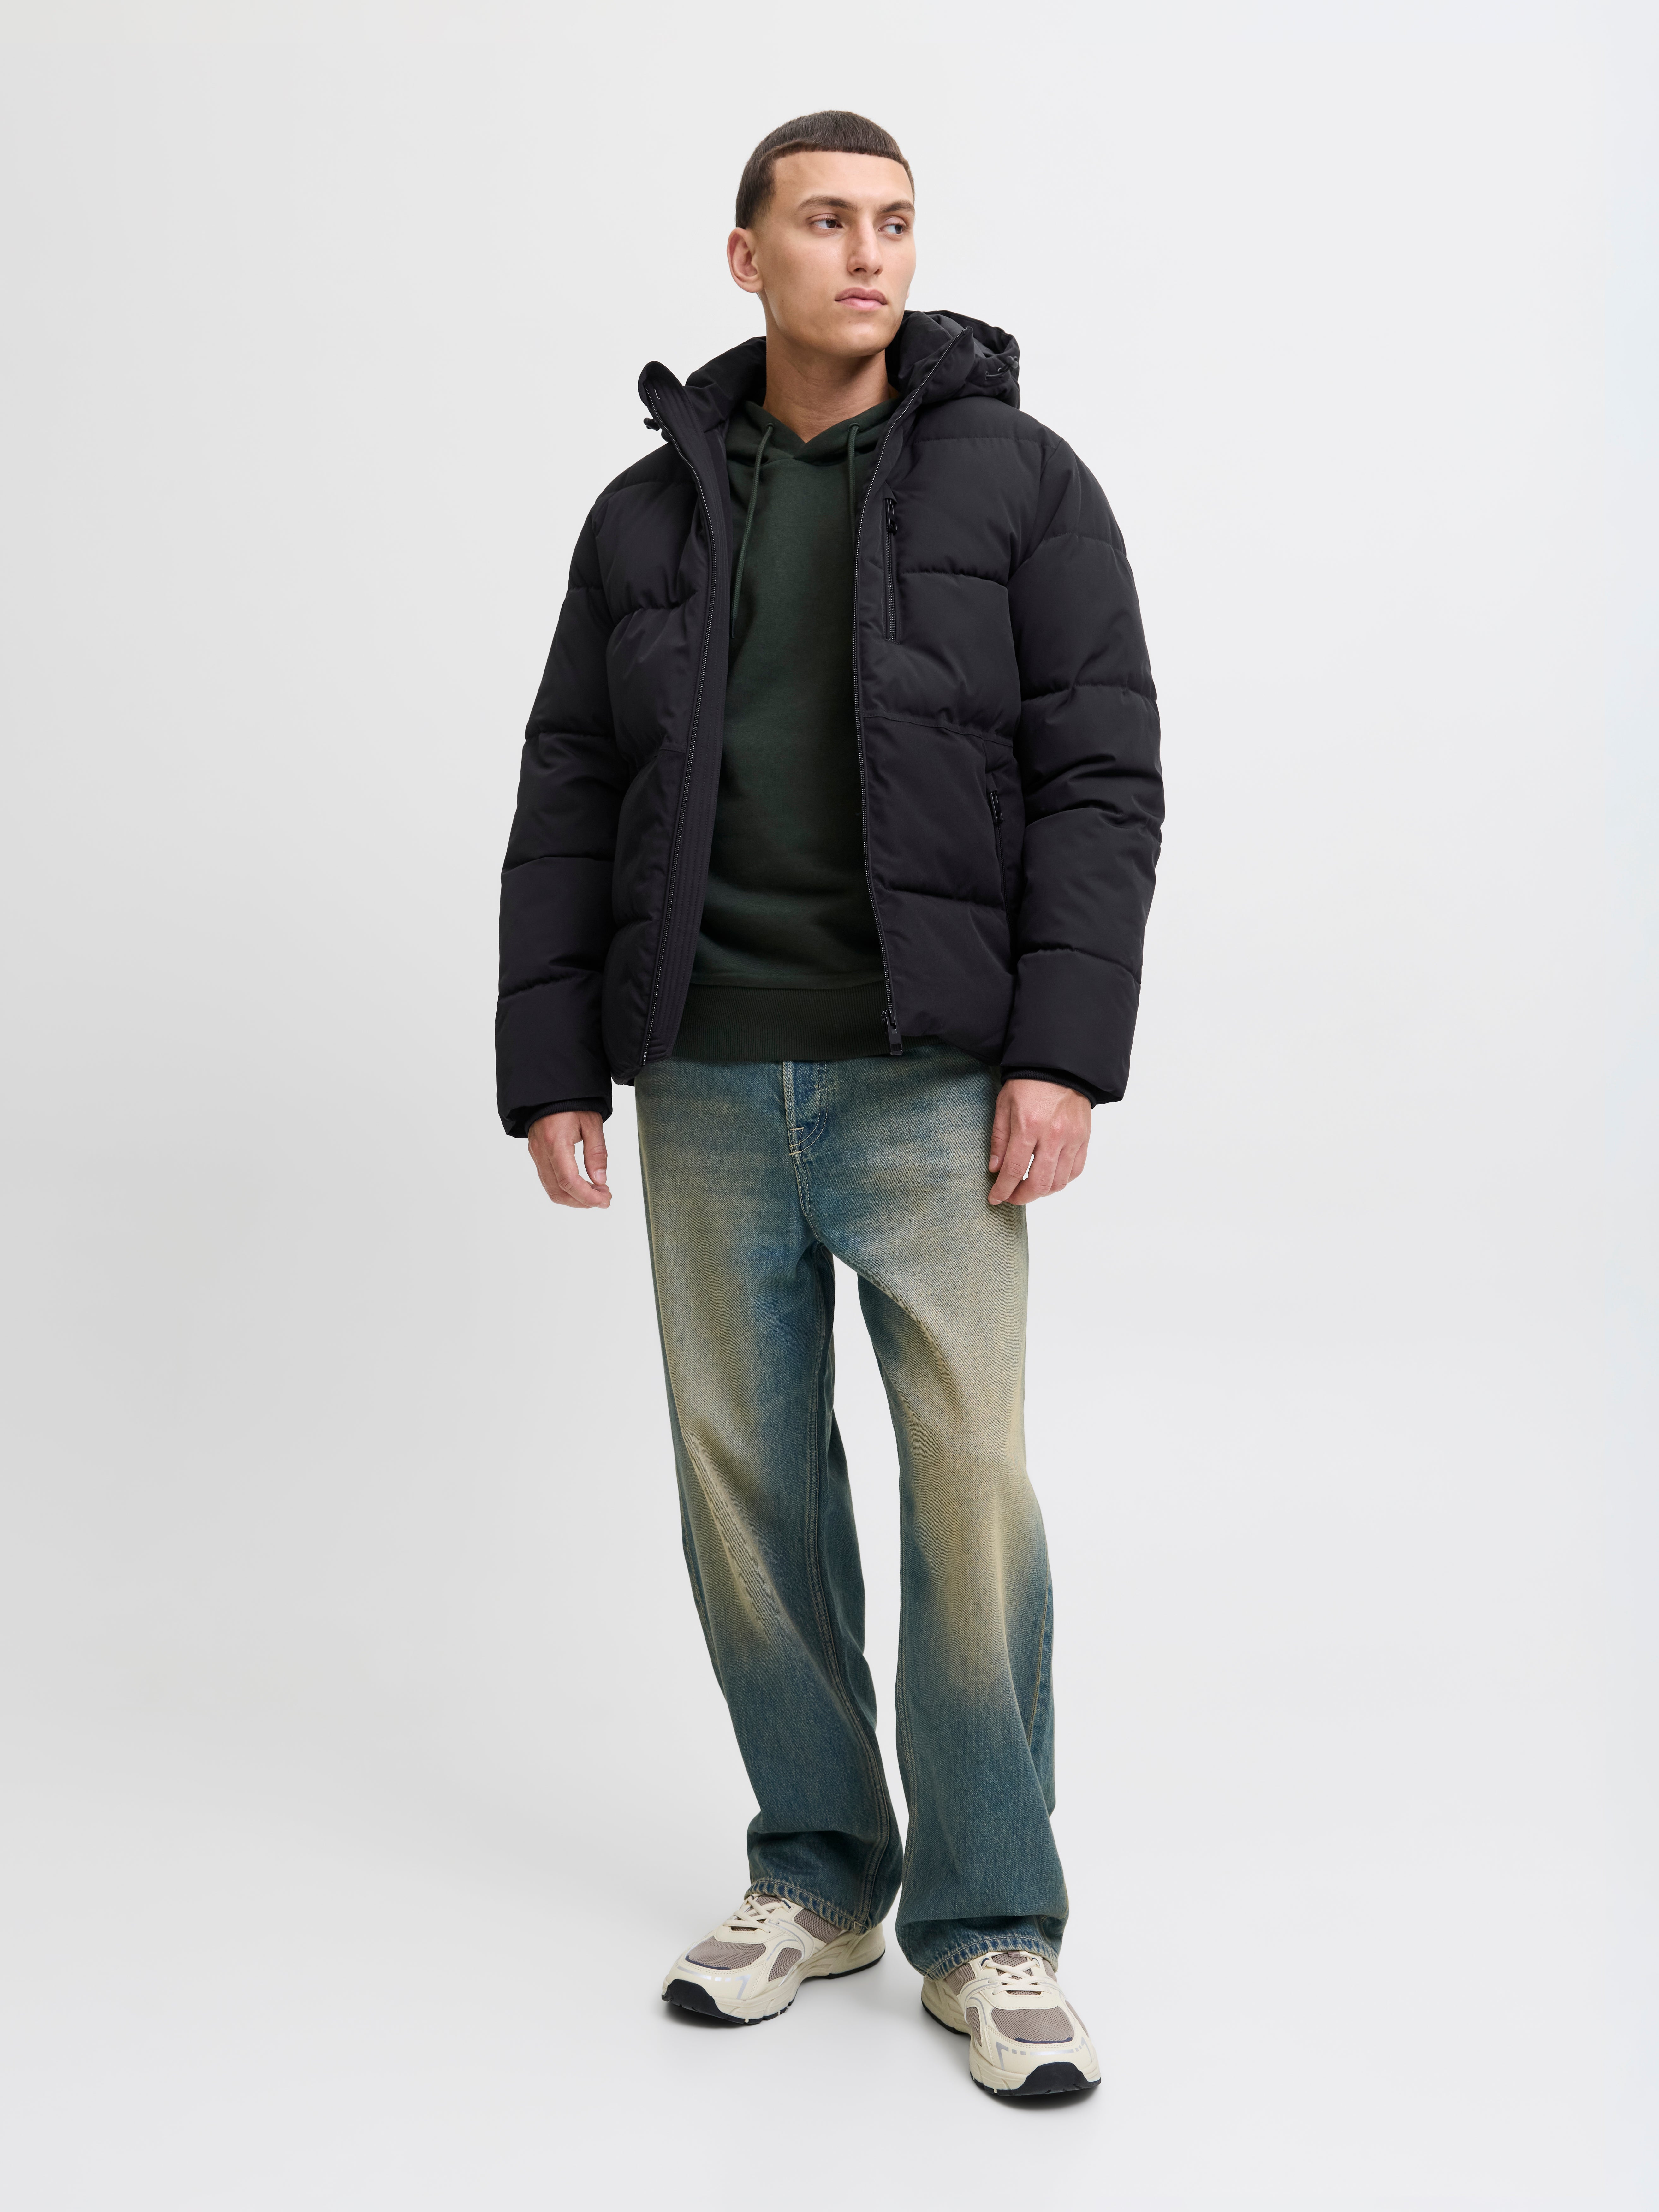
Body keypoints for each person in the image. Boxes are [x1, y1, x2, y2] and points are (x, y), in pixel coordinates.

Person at [495, 110, 1162, 2097]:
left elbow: (1100, 775)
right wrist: (552, 1062)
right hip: (704, 1072)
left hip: (930, 1078)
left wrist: (1059, 1049)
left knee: (968, 1493)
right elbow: (570, 787)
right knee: (748, 1498)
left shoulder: (1020, 485)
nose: (866, 255)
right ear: (747, 257)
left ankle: (993, 1924)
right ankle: (816, 1872)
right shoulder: (647, 516)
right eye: (823, 222)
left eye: (892, 223)